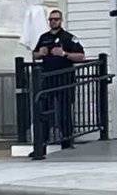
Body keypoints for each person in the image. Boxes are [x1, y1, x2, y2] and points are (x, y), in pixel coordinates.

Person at [30, 9, 85, 158]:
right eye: (51, 19)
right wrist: (39, 54)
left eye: (56, 19)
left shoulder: (69, 38)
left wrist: (64, 54)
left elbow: (81, 56)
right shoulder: (44, 37)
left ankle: (67, 141)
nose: (53, 22)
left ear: (61, 21)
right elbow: (34, 54)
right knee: (44, 110)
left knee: (65, 110)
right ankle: (43, 142)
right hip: (47, 79)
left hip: (65, 79)